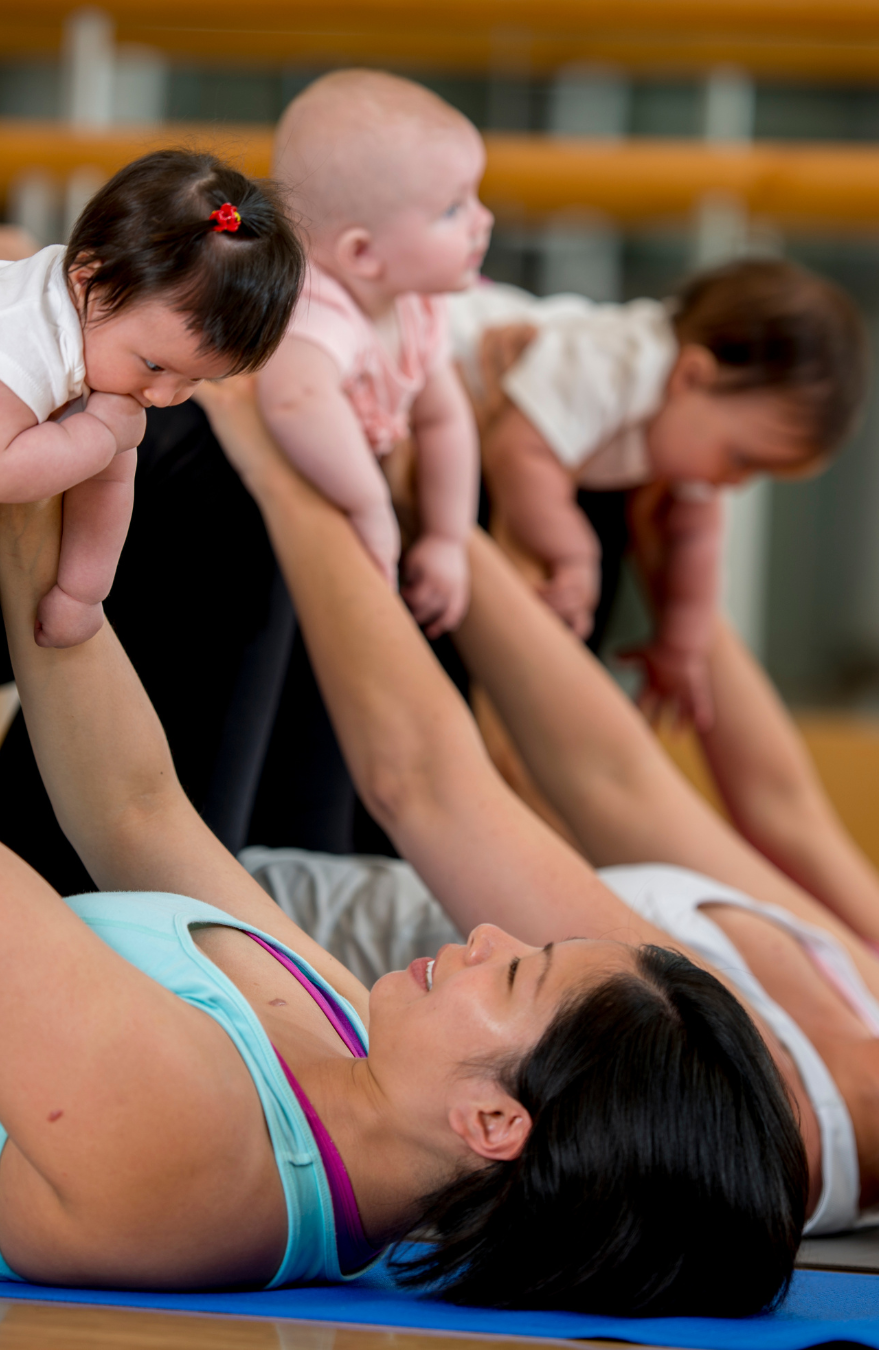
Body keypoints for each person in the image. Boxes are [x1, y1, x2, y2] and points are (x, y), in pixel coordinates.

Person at [0, 277, 803, 1317]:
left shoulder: (192, 1148)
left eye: (516, 975)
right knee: (30, 504)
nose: (488, 936)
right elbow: (137, 810)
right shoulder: (353, 1051)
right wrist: (34, 534)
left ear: (493, 1123)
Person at [195, 376, 877, 1247]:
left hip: (213, 907)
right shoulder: (862, 1006)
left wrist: (283, 461)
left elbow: (425, 784)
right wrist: (426, 493)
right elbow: (617, 781)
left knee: (208, 445)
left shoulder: (726, 1103)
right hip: (317, 838)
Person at [0, 149, 303, 647]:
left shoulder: (110, 344)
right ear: (86, 283)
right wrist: (97, 436)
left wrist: (82, 594)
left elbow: (107, 481)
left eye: (195, 381)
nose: (165, 396)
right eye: (156, 366)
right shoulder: (26, 337)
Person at [448, 261, 869, 725]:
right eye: (741, 459)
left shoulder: (692, 420)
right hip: (436, 350)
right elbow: (516, 451)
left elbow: (698, 540)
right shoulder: (617, 365)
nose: (736, 483)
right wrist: (572, 553)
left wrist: (681, 646)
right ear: (690, 376)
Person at [256, 70, 490, 638]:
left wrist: (447, 537)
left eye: (475, 197)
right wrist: (369, 505)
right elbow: (294, 401)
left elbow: (444, 419)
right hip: (246, 498)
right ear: (362, 254)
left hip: (325, 492)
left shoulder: (415, 304)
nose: (483, 221)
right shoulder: (317, 305)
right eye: (453, 210)